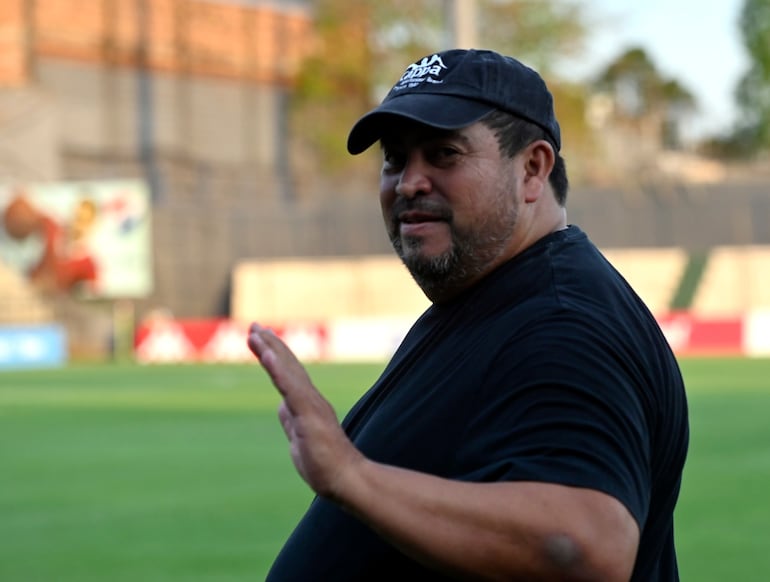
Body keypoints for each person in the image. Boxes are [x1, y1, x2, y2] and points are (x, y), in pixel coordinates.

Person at [248, 48, 689, 581]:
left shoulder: (560, 324)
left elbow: (589, 545)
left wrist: (350, 474)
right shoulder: (496, 300)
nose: (409, 181)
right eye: (394, 158)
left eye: (444, 154)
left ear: (532, 168)